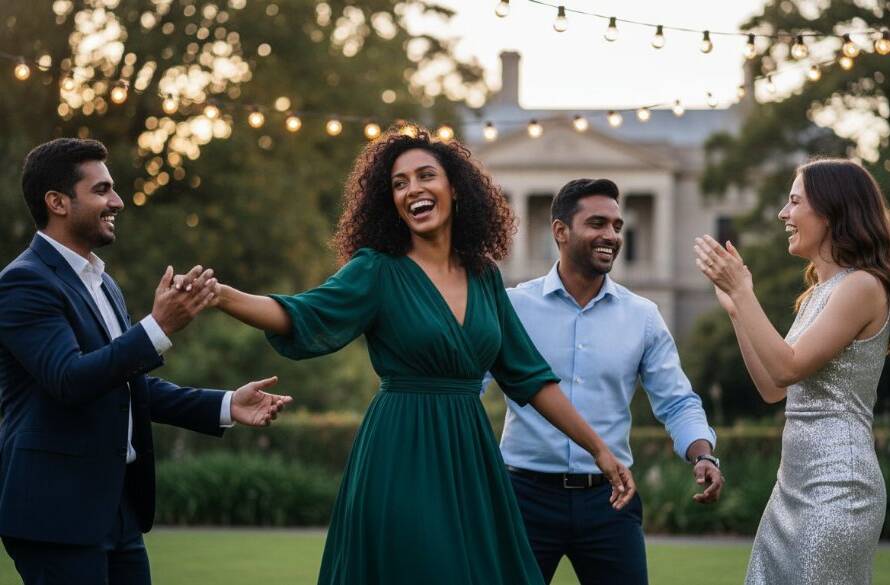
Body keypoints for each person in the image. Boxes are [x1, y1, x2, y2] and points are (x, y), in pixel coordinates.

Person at [199, 127, 635, 584]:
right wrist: (224, 296)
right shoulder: (377, 270)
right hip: (401, 452)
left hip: (470, 458)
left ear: (455, 189)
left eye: (426, 176)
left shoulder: (485, 276)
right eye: (399, 183)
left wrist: (599, 450)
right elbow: (300, 314)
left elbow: (531, 378)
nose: (413, 190)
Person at [0, 138, 293, 585]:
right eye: (101, 190)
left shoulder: (103, 283)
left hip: (118, 508)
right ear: (57, 202)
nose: (116, 201)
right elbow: (70, 380)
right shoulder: (23, 283)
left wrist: (225, 404)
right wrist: (157, 327)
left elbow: (125, 385)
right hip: (56, 513)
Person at [484, 178, 722, 585]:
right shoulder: (512, 307)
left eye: (616, 225)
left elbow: (677, 401)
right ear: (560, 231)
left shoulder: (642, 316)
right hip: (522, 499)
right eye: (598, 223)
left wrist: (703, 454)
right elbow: (468, 385)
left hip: (610, 499)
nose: (611, 235)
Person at [694, 158, 889, 584]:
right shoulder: (816, 294)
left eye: (794, 201)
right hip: (792, 488)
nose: (784, 214)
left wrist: (745, 293)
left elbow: (787, 367)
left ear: (831, 211)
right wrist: (735, 310)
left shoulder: (862, 286)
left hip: (838, 487)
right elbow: (772, 388)